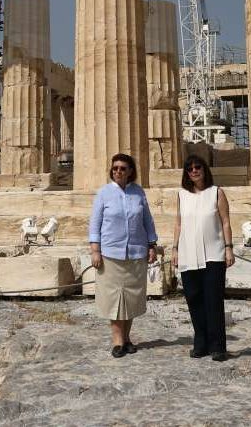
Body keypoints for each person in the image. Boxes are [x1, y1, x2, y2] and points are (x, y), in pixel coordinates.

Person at [88, 152, 158, 358]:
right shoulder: (103, 193)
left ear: (130, 171)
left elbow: (147, 220)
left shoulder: (138, 192)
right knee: (114, 298)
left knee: (131, 298)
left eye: (122, 168)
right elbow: (95, 223)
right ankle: (117, 340)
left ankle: (127, 339)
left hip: (136, 252)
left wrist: (152, 245)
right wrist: (95, 250)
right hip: (111, 254)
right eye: (115, 168)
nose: (118, 171)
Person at [172, 154, 234, 361]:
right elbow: (178, 223)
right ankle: (200, 343)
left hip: (213, 253)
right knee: (194, 299)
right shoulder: (181, 195)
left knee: (213, 300)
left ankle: (218, 346)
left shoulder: (216, 192)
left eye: (197, 167)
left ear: (204, 169)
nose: (194, 171)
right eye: (189, 169)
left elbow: (225, 221)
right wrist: (175, 249)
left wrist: (229, 248)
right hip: (188, 254)